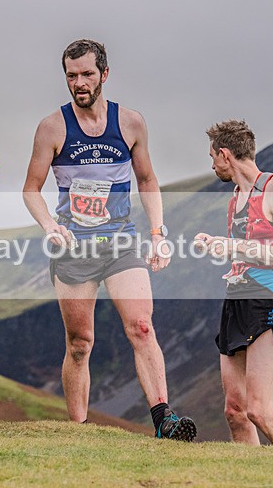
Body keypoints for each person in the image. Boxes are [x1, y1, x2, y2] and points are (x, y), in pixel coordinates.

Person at [23, 39, 196, 441]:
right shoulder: (53, 127)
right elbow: (31, 189)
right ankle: (79, 430)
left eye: (86, 74)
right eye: (71, 76)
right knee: (80, 343)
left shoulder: (130, 123)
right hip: (73, 249)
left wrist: (157, 233)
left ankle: (163, 420)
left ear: (104, 74)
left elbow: (147, 179)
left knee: (141, 326)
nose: (79, 83)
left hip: (121, 243)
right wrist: (49, 225)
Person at [194, 119, 273, 449]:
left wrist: (232, 246)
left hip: (267, 300)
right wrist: (216, 244)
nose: (212, 164)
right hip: (236, 299)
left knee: (260, 410)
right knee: (235, 411)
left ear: (225, 154)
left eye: (212, 156)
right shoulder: (236, 197)